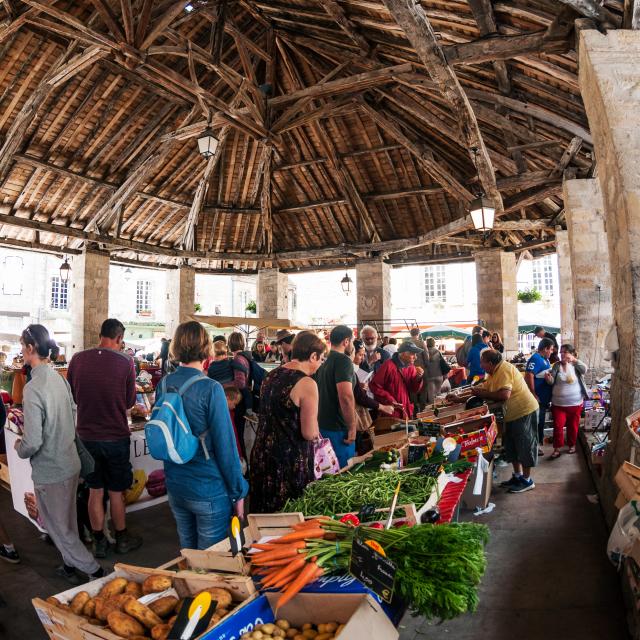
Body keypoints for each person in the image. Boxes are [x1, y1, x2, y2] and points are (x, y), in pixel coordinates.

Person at [16, 324, 104, 583]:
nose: (21, 350)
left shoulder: (33, 388)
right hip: (70, 463)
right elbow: (70, 419)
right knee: (67, 523)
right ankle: (69, 566)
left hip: (51, 470)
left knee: (59, 529)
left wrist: (19, 447)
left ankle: (96, 572)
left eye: (23, 346)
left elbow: (32, 441)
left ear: (31, 348)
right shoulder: (58, 379)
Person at [156, 322, 248, 549]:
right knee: (211, 559)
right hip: (208, 487)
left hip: (176, 483)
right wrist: (238, 492)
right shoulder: (211, 389)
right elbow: (226, 447)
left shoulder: (164, 383)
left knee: (187, 552)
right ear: (207, 347)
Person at [67, 318, 140, 558]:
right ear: (119, 338)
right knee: (117, 491)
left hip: (86, 437)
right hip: (115, 436)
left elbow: (74, 396)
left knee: (94, 490)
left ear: (101, 335)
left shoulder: (77, 359)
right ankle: (121, 539)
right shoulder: (126, 361)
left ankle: (99, 542)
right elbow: (130, 402)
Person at [251, 332, 325, 512]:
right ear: (312, 356)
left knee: (265, 520)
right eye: (321, 359)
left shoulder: (272, 375)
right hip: (289, 461)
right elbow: (309, 432)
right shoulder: (307, 383)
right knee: (287, 519)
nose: (321, 363)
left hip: (263, 455)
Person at [462, 349, 539, 493]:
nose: (480, 365)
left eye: (482, 362)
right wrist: (462, 396)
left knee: (524, 445)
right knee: (512, 445)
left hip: (524, 412)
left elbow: (504, 395)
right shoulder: (492, 373)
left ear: (490, 363)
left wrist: (481, 393)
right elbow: (482, 388)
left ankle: (527, 480)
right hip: (511, 415)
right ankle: (517, 476)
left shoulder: (504, 370)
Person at [315, 325, 358, 468]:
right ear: (346, 341)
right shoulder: (343, 361)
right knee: (343, 472)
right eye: (352, 341)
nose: (352, 344)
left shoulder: (325, 361)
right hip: (339, 429)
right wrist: (352, 426)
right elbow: (345, 396)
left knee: (329, 472)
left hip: (324, 425)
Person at [546, 344, 588, 458]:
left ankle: (571, 445)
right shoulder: (556, 366)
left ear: (571, 353)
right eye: (561, 352)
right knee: (558, 426)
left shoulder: (575, 365)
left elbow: (585, 370)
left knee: (573, 426)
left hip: (575, 403)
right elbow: (551, 381)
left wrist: (574, 360)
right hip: (558, 404)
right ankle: (557, 448)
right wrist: (549, 378)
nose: (563, 354)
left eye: (565, 352)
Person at [369, 341, 424, 419]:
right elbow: (374, 386)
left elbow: (414, 389)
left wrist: (418, 378)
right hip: (391, 412)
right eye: (413, 354)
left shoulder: (411, 367)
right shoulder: (388, 365)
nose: (416, 357)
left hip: (405, 410)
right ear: (403, 354)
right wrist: (391, 400)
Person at [352, 339, 394, 422]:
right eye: (360, 355)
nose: (362, 358)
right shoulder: (348, 368)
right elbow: (359, 396)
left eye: (364, 355)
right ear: (352, 353)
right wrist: (382, 407)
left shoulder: (384, 354)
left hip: (369, 403)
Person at [525, 337, 554, 457]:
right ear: (545, 348)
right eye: (551, 349)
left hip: (544, 398)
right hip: (537, 398)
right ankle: (533, 447)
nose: (552, 352)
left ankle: (537, 445)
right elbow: (529, 375)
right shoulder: (535, 358)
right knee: (536, 423)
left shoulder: (545, 360)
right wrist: (533, 393)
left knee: (540, 422)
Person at [422, 338, 446, 405]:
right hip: (439, 374)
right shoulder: (438, 351)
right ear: (434, 343)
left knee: (431, 394)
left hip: (429, 375)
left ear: (427, 343)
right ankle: (439, 406)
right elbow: (443, 363)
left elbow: (424, 363)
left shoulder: (425, 352)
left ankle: (433, 409)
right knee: (438, 392)